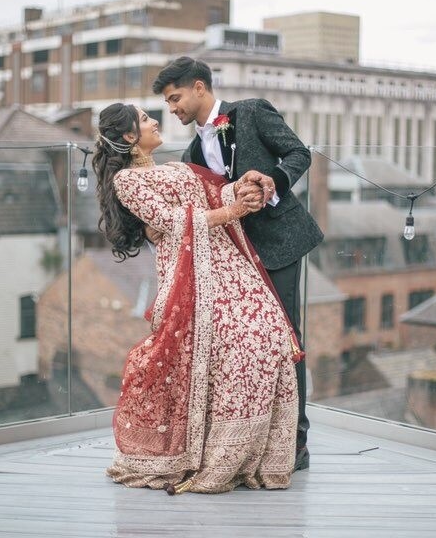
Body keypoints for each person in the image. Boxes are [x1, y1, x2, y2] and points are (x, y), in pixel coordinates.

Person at [93, 102, 303, 494]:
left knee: (270, 332)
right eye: (144, 119)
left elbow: (212, 196)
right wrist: (235, 210)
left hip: (226, 262)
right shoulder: (127, 181)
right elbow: (175, 223)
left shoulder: (174, 168)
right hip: (193, 273)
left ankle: (256, 451)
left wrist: (240, 190)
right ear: (128, 137)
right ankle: (219, 453)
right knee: (238, 343)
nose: (155, 120)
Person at [153, 57, 323, 471]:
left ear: (198, 87)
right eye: (167, 102)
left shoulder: (251, 111)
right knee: (251, 344)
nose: (172, 109)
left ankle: (296, 443)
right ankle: (259, 437)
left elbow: (300, 153)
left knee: (287, 340)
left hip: (281, 243)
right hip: (240, 257)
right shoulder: (193, 150)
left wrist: (272, 183)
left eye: (175, 98)